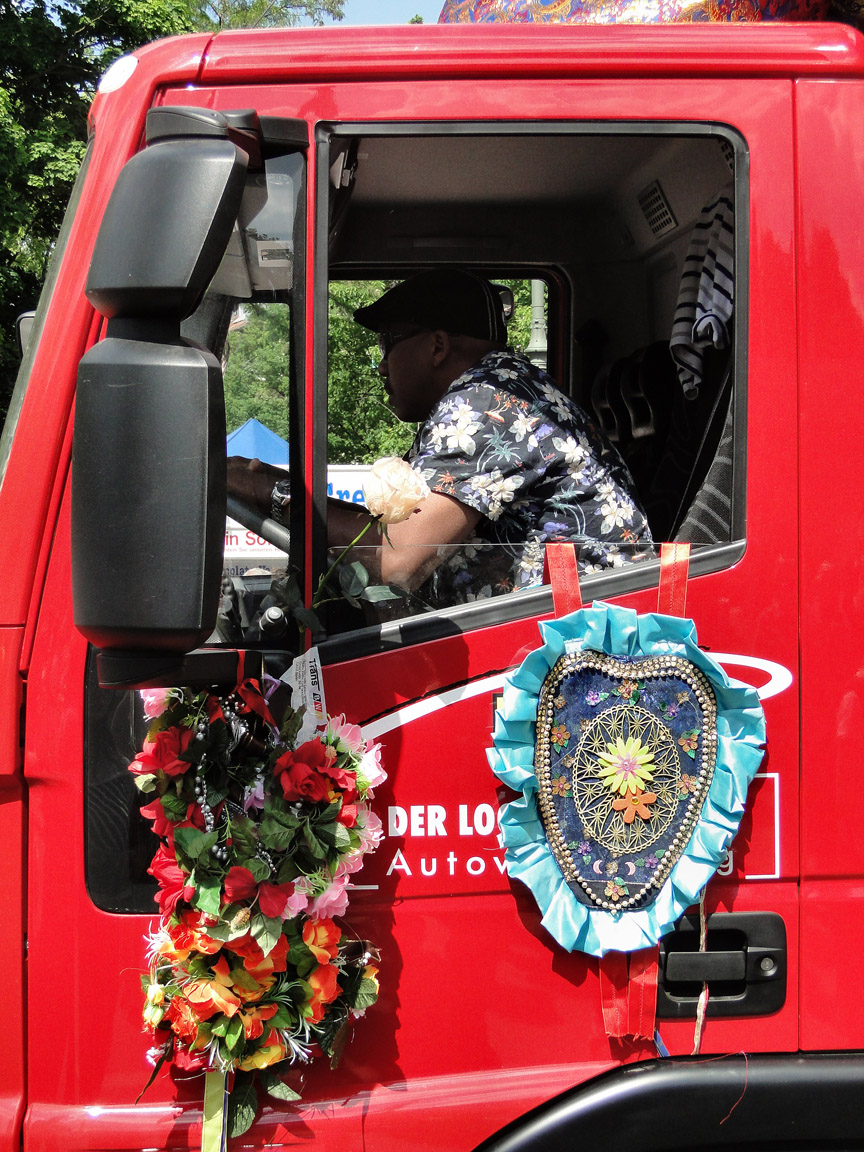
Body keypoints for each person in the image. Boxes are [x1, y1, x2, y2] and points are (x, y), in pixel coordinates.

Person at [228, 269, 652, 607]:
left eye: (385, 345)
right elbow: (394, 533)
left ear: (437, 346)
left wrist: (267, 490)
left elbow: (396, 562)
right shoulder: (500, 389)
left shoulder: (488, 403)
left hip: (576, 653)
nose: (380, 368)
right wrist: (274, 484)